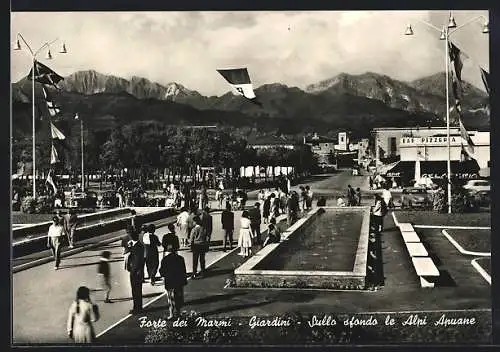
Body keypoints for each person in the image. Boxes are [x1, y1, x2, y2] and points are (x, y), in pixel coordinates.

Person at [159, 241, 188, 320]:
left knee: (170, 299)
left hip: (169, 282)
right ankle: (178, 312)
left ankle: (171, 314)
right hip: (178, 282)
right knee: (178, 297)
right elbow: (183, 271)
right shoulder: (180, 258)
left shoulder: (165, 259)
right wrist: (184, 281)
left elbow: (162, 272)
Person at [126, 230, 145, 314]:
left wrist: (132, 270)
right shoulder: (139, 245)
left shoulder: (136, 247)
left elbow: (136, 260)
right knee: (138, 290)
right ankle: (139, 307)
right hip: (138, 271)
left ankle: (136, 308)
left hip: (135, 272)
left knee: (135, 290)